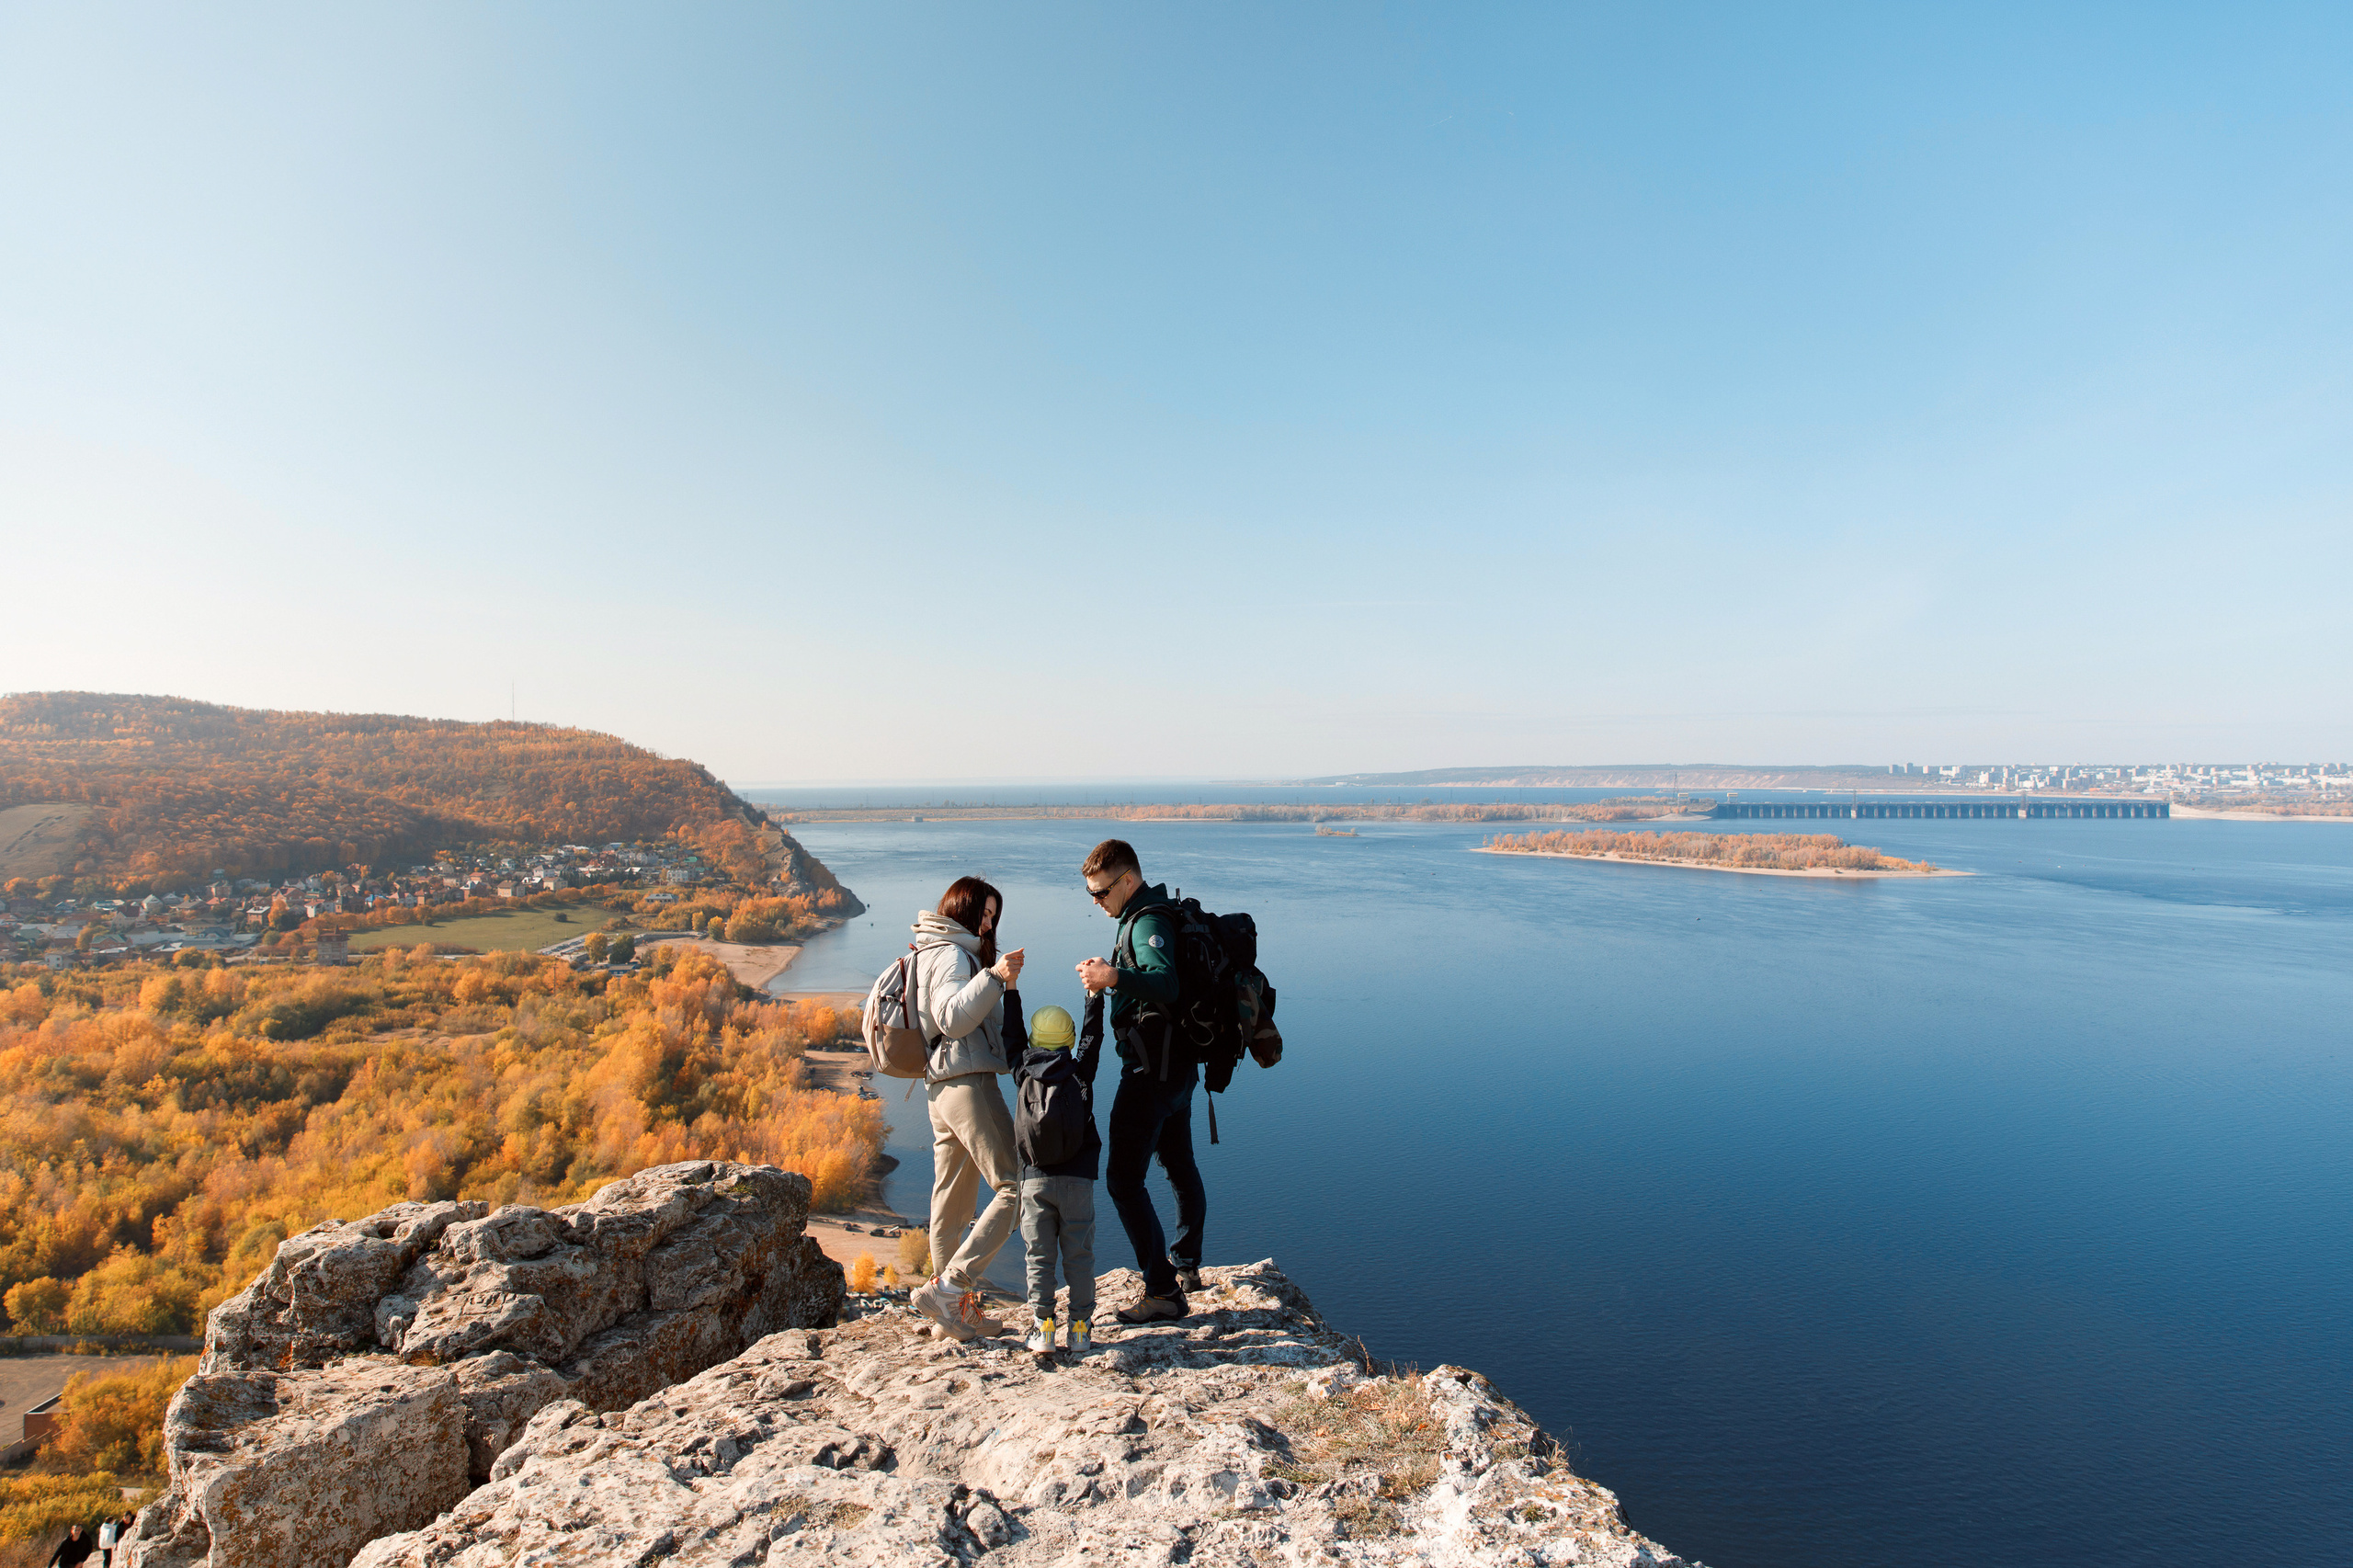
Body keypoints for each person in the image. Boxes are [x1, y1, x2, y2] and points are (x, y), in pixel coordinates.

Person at [1075, 838, 1204, 1324]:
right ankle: (1187, 1266)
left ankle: (1162, 1291)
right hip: (1177, 1070)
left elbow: (1166, 982)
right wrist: (1111, 974)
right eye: (1091, 895)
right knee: (1177, 1164)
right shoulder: (1144, 914)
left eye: (1101, 893)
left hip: (1150, 1072)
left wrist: (1112, 979)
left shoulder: (1148, 920)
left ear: (1127, 880)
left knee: (1123, 1181)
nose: (1097, 902)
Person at [905, 876, 1026, 1342]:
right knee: (1016, 1186)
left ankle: (950, 1316)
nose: (989, 923)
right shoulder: (954, 954)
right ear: (963, 908)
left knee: (951, 1202)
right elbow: (952, 1018)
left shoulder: (929, 949)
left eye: (994, 917)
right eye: (985, 913)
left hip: (938, 1086)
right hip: (966, 1081)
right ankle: (953, 1287)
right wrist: (995, 977)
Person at [1013, 996, 1103, 1353]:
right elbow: (1093, 1038)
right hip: (1078, 1178)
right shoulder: (1080, 1072)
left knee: (1039, 1255)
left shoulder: (1022, 1071)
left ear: (1034, 1041)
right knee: (1079, 1254)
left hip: (1034, 1178)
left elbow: (1011, 1036)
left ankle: (1043, 1328)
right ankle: (1080, 1330)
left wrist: (1011, 988)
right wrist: (1094, 997)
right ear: (1069, 1040)